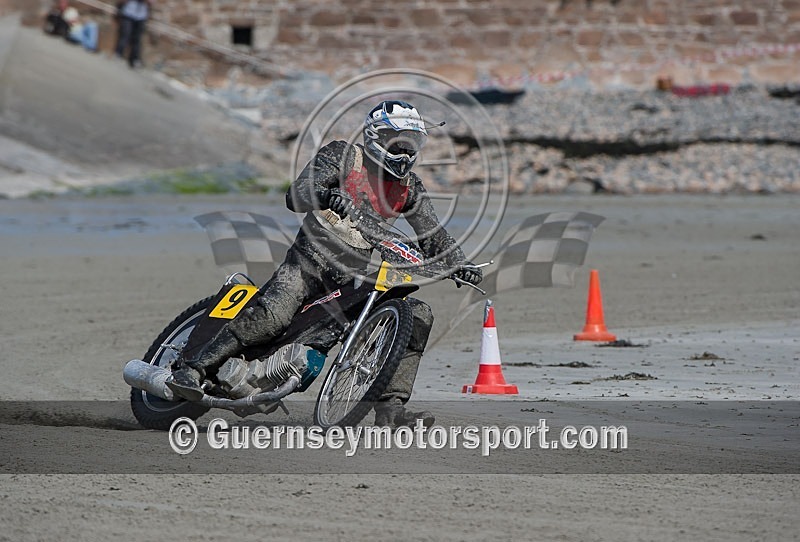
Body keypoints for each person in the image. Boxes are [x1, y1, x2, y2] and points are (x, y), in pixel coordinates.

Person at [168, 100, 482, 427]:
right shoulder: (343, 156)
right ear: (377, 137)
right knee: (273, 315)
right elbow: (298, 193)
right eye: (397, 143)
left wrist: (460, 263)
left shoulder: (410, 187)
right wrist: (324, 194)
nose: (404, 153)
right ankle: (193, 367)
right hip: (308, 261)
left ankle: (390, 408)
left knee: (418, 313)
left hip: (351, 277)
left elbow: (433, 235)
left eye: (410, 145)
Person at [115, 0, 150, 68]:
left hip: (141, 16)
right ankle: (118, 54)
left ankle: (133, 59)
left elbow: (151, 2)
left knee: (137, 39)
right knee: (125, 34)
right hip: (128, 13)